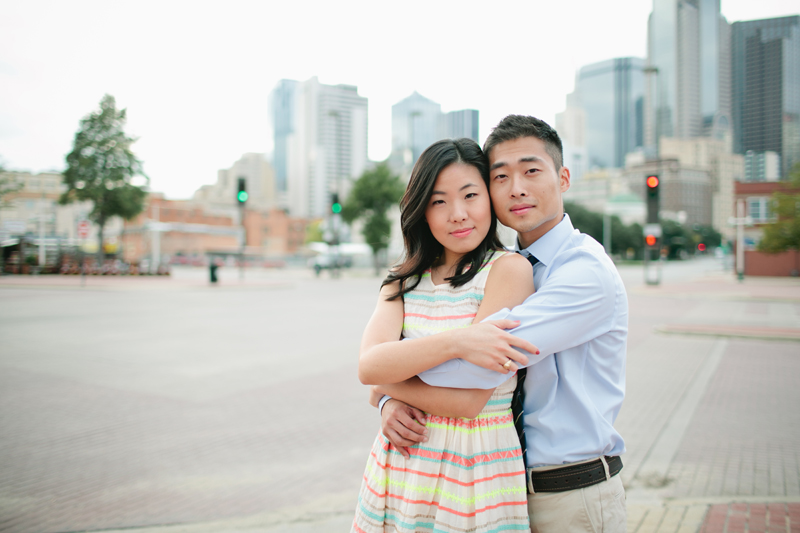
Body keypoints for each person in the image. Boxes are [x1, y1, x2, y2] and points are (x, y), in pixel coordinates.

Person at [373, 115, 628, 533]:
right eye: (501, 176)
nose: (517, 188)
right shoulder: (509, 265)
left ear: (563, 177)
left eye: (531, 171)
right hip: (507, 485)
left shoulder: (584, 273)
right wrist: (387, 399)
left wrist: (378, 378)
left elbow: (469, 378)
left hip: (571, 495)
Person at [352, 138, 538, 533]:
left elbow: (469, 401)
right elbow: (368, 366)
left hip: (473, 472)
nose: (458, 214)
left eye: (470, 195)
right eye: (439, 201)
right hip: (399, 468)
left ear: (489, 197)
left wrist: (385, 391)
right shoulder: (402, 281)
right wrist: (458, 342)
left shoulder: (508, 270)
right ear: (421, 209)